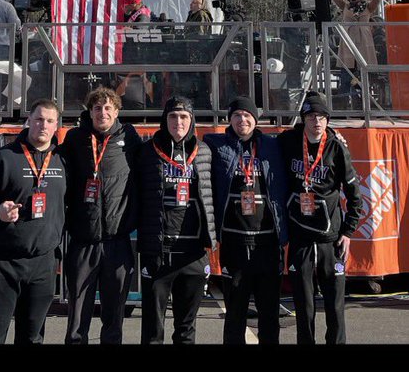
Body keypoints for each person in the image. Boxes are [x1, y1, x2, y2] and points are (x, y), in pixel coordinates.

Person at [0, 99, 66, 345]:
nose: (43, 125)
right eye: (38, 119)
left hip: (43, 263)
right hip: (3, 262)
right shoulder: (4, 157)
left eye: (49, 121)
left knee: (32, 338)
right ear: (28, 121)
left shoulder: (62, 161)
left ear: (57, 126)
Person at [280, 91, 363, 344]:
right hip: (301, 238)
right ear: (303, 119)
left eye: (321, 117)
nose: (316, 121)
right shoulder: (289, 141)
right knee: (304, 308)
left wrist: (348, 232)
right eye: (311, 116)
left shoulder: (337, 148)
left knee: (335, 308)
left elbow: (355, 196)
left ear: (328, 120)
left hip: (331, 239)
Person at [61, 85, 142, 344]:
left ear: (117, 112)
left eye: (108, 108)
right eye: (97, 108)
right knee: (76, 321)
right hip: (83, 242)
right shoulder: (74, 139)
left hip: (117, 242)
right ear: (90, 111)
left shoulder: (130, 137)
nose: (103, 113)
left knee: (114, 319)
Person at [205, 95, 288, 344]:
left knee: (269, 316)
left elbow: (306, 138)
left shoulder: (272, 145)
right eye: (237, 115)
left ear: (256, 119)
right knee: (235, 317)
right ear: (229, 119)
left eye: (247, 115)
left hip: (267, 244)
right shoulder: (215, 144)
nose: (242, 120)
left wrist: (336, 137)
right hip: (234, 244)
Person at [136, 95, 216, 344]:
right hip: (159, 251)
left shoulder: (203, 151)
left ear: (191, 120)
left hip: (192, 252)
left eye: (184, 117)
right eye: (172, 116)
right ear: (165, 119)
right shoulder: (147, 151)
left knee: (186, 329)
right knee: (152, 330)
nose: (178, 122)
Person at [330, 0, 381, 102]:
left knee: (363, 78)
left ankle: (364, 105)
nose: (350, 1)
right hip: (348, 44)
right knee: (346, 76)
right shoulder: (345, 6)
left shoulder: (368, 7)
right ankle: (344, 106)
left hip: (364, 43)